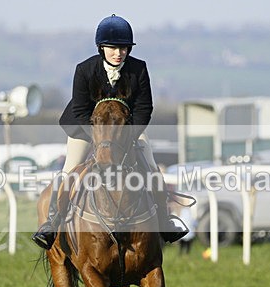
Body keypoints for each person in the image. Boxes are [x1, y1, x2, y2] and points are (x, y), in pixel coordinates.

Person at [31, 14, 188, 250]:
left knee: (152, 167)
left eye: (124, 48)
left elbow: (144, 108)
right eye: (113, 48)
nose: (119, 53)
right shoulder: (85, 70)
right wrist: (100, 137)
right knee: (69, 170)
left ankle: (165, 221)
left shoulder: (139, 69)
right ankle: (52, 221)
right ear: (101, 47)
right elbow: (81, 109)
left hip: (127, 132)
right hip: (86, 130)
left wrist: (126, 136)